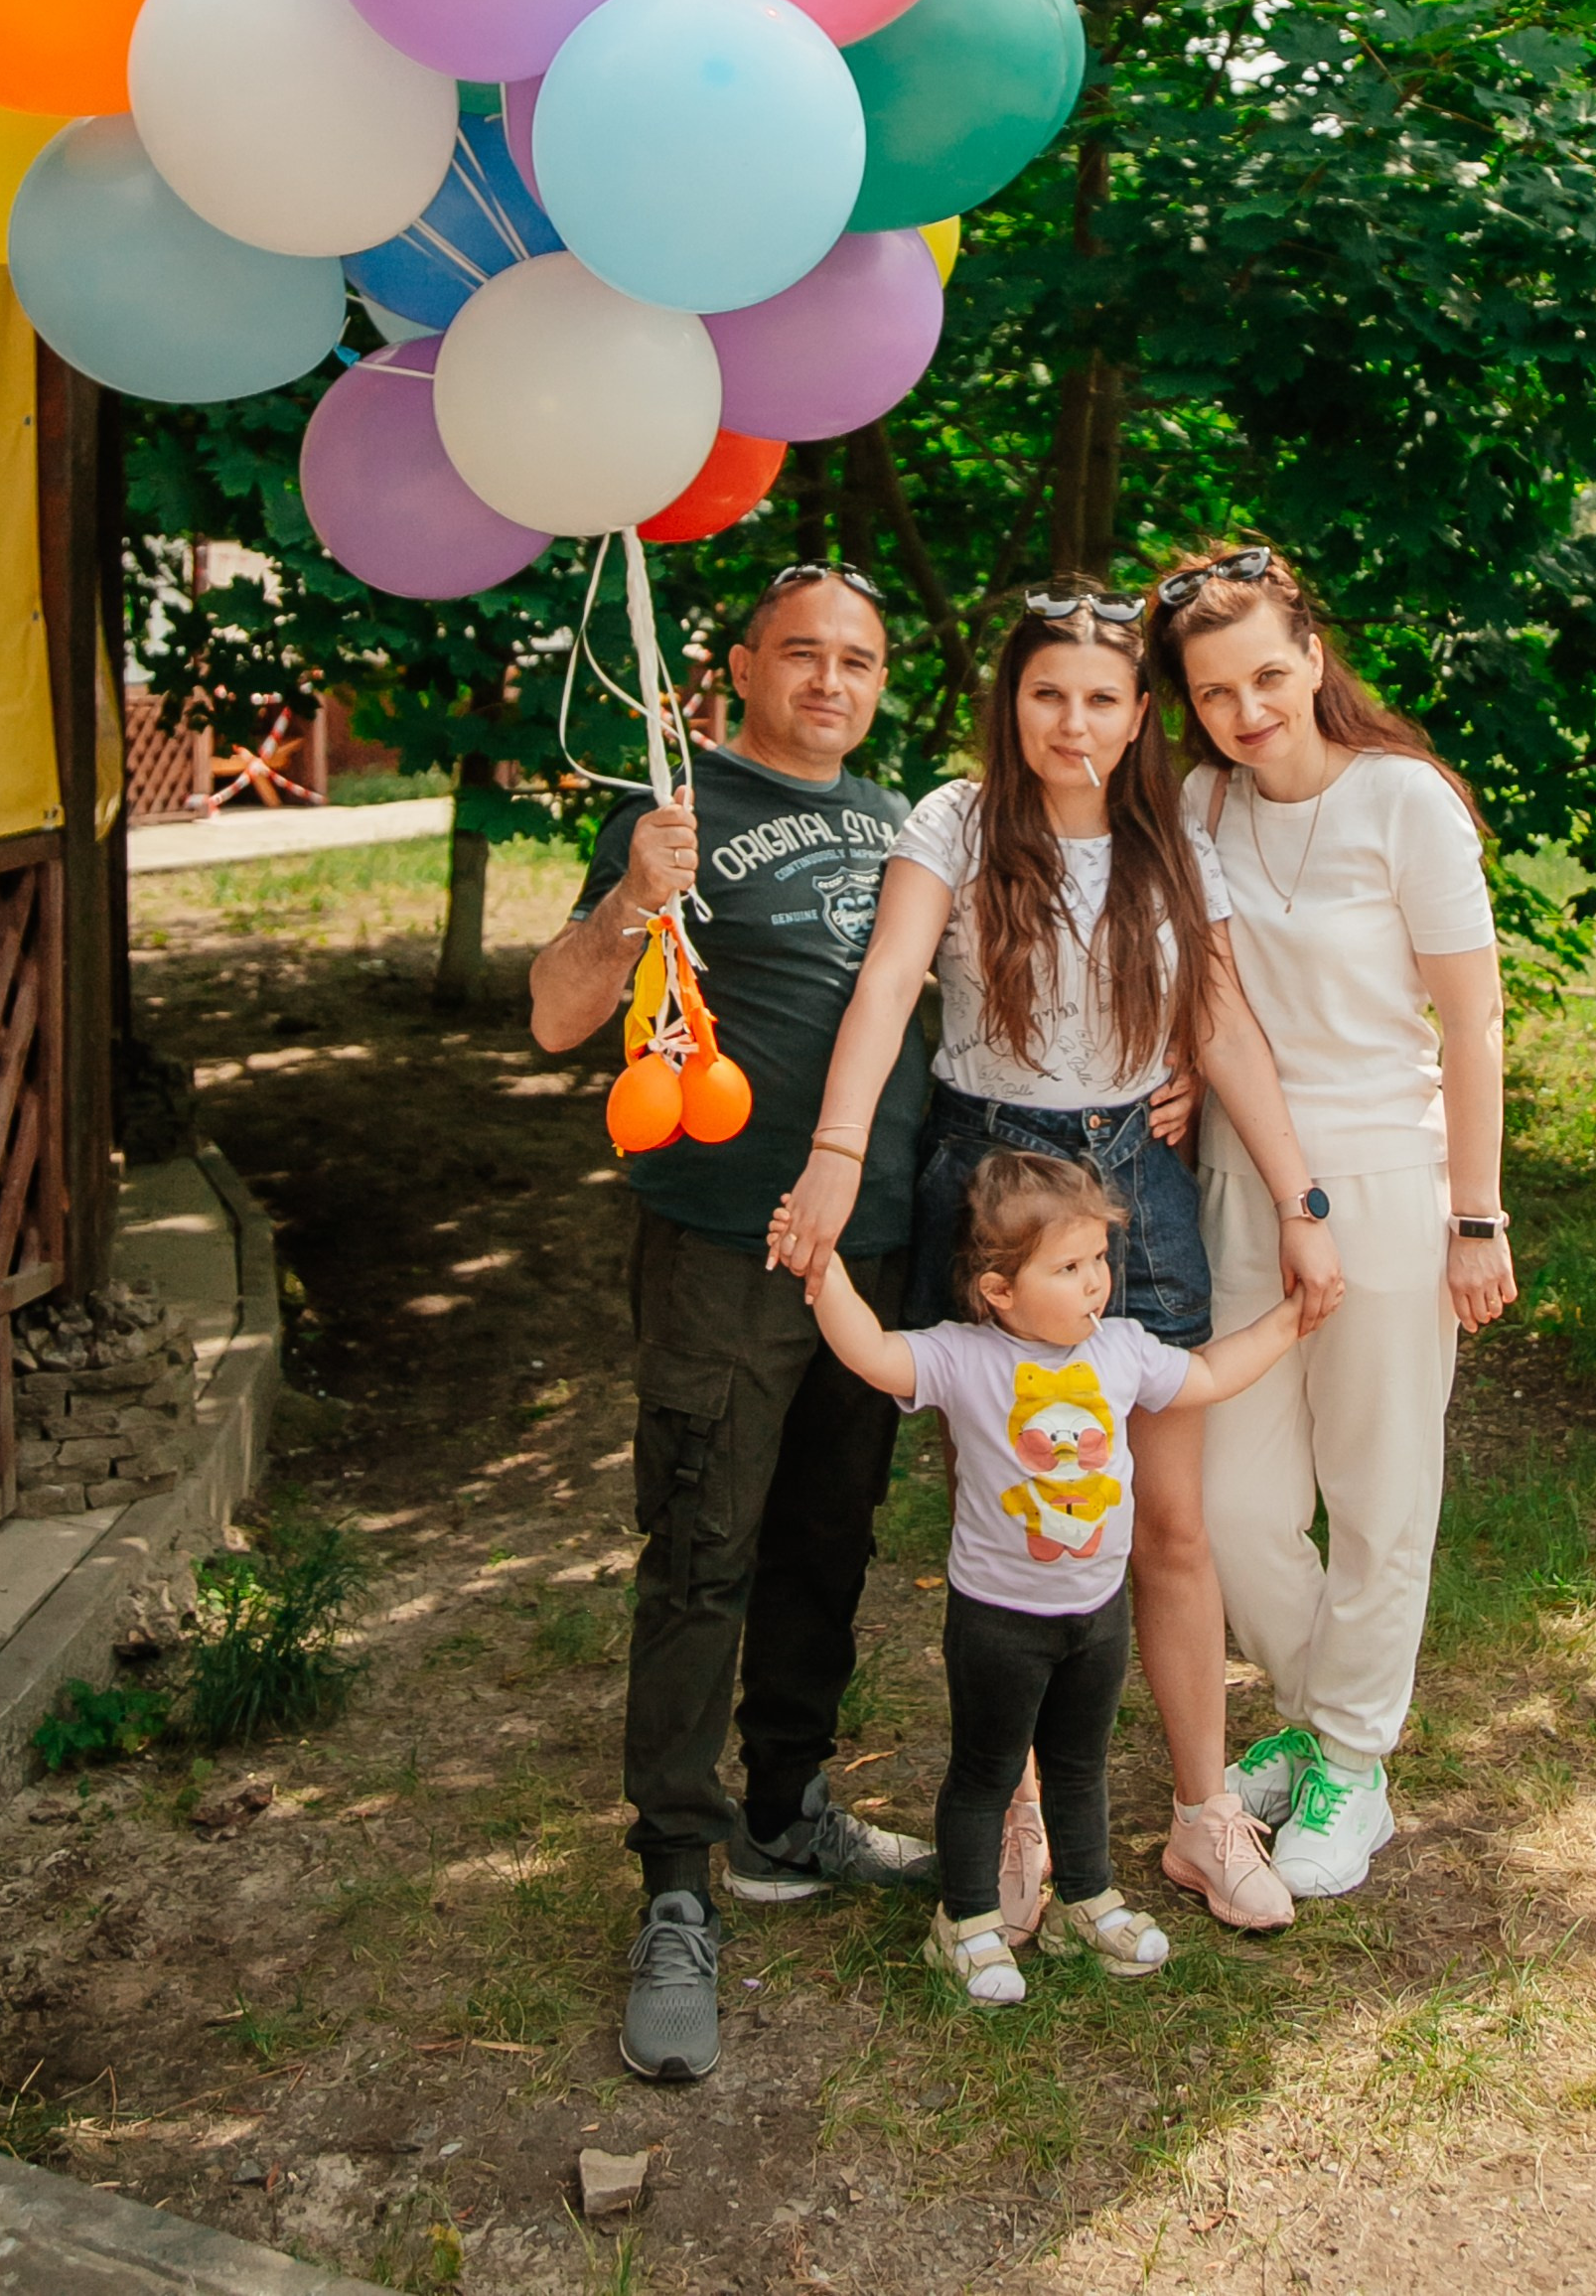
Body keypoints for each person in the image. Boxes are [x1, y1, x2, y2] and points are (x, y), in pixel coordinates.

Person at [767, 589, 1345, 1940]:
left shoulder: (1173, 832)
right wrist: (838, 1154)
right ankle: (1017, 1806)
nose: (1072, 724)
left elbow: (1227, 1027)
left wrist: (1298, 1196)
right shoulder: (954, 822)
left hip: (1137, 1187)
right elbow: (885, 984)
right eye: (1045, 696)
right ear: (1007, 703)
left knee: (1173, 1523)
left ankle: (1203, 1812)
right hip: (995, 1181)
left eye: (1100, 698)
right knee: (1020, 1520)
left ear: (1141, 713)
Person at [527, 563, 937, 2086]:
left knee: (831, 1532)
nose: (833, 681)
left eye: (861, 660)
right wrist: (637, 896)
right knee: (703, 1543)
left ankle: (786, 1806)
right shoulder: (671, 809)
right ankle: (677, 1883)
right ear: (742, 667)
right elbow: (559, 1016)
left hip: (874, 1248)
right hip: (722, 1242)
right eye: (804, 655)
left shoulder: (910, 821)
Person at [1144, 545, 1516, 1901]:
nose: (1249, 710)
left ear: (1312, 653)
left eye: (1267, 675)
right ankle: (1326, 1716)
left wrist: (1476, 1216)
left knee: (1377, 1493)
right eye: (1215, 691)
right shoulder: (1197, 804)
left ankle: (1349, 1763)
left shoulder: (1405, 803)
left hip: (1386, 1177)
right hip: (1247, 1177)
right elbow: (1217, 996)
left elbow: (1471, 1020)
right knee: (1234, 1505)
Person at [806, 1148, 1313, 2004]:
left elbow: (1209, 1376)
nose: (1094, 1283)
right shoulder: (962, 1357)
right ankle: (963, 1926)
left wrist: (1289, 1321)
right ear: (998, 1290)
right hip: (998, 1620)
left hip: (1096, 1612)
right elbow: (870, 1355)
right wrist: (819, 1269)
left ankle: (1087, 1900)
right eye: (1068, 1266)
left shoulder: (1122, 1349)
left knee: (1081, 1768)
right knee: (985, 1775)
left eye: (1098, 1261)